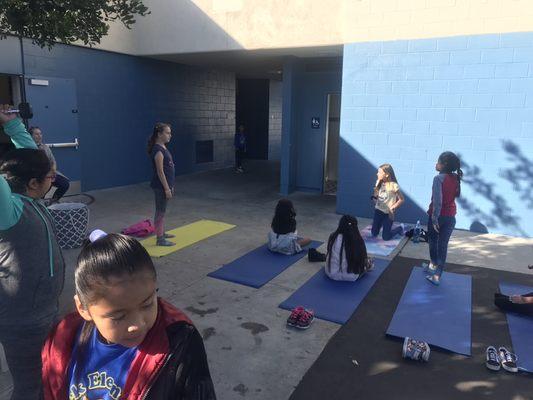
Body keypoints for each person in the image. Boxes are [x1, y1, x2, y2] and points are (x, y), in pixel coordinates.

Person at [41, 231, 217, 399]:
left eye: (147, 304)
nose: (137, 324)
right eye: (118, 317)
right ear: (83, 308)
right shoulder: (62, 340)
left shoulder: (180, 341)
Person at [0, 105, 65, 400]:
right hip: (22, 321)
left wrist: (12, 124)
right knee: (29, 387)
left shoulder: (31, 198)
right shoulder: (9, 211)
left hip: (46, 311)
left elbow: (30, 159)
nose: (53, 180)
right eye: (48, 178)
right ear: (31, 183)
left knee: (49, 379)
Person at [425, 151, 463, 285]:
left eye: (438, 162)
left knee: (433, 241)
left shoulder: (438, 178)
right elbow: (455, 196)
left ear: (443, 165)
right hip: (451, 217)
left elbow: (438, 201)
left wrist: (435, 219)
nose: (436, 164)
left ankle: (435, 271)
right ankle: (435, 269)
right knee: (442, 245)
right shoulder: (455, 177)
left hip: (439, 216)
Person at [147, 123, 175, 246]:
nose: (170, 135)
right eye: (167, 133)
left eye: (170, 133)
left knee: (162, 211)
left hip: (165, 185)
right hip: (160, 187)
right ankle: (160, 239)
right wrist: (166, 189)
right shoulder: (158, 150)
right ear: (159, 134)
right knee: (160, 212)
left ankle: (161, 232)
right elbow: (160, 171)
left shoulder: (163, 147)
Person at [325, 215, 374, 281]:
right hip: (350, 276)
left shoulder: (333, 236)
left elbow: (329, 253)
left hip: (331, 273)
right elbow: (361, 260)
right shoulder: (357, 240)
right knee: (369, 264)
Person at [29, 126, 71, 203]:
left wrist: (53, 171)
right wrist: (47, 175)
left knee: (64, 184)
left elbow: (53, 161)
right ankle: (40, 204)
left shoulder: (45, 147)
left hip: (50, 173)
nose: (39, 136)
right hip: (39, 176)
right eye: (36, 134)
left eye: (40, 134)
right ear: (31, 136)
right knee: (44, 188)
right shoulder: (28, 149)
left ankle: (53, 202)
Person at [371, 163, 405, 240]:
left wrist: (393, 207)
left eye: (379, 172)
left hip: (388, 214)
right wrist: (374, 197)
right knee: (374, 233)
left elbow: (402, 199)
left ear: (386, 174)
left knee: (386, 237)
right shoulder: (379, 182)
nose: (377, 174)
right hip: (378, 211)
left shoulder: (394, 185)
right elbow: (375, 196)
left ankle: (400, 228)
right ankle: (379, 226)